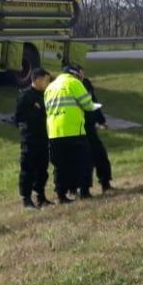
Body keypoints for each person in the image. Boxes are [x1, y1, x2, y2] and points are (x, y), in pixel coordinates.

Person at [44, 65, 97, 203]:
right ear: (75, 74)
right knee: (83, 162)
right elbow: (87, 104)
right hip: (74, 131)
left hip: (55, 132)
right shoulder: (74, 82)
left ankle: (61, 195)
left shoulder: (50, 87)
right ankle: (83, 191)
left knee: (60, 166)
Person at [15, 68, 53, 209]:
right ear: (37, 80)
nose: (47, 83)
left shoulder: (46, 95)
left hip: (43, 136)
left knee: (42, 168)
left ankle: (41, 196)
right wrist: (36, 112)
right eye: (46, 80)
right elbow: (19, 117)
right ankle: (26, 199)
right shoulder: (25, 96)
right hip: (30, 138)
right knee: (28, 168)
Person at [77, 65, 113, 193]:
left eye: (82, 73)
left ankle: (105, 183)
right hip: (77, 128)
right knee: (84, 160)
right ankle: (83, 189)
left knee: (100, 155)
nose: (81, 75)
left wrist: (101, 121)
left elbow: (94, 103)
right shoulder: (70, 87)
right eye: (79, 73)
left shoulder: (86, 83)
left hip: (90, 127)